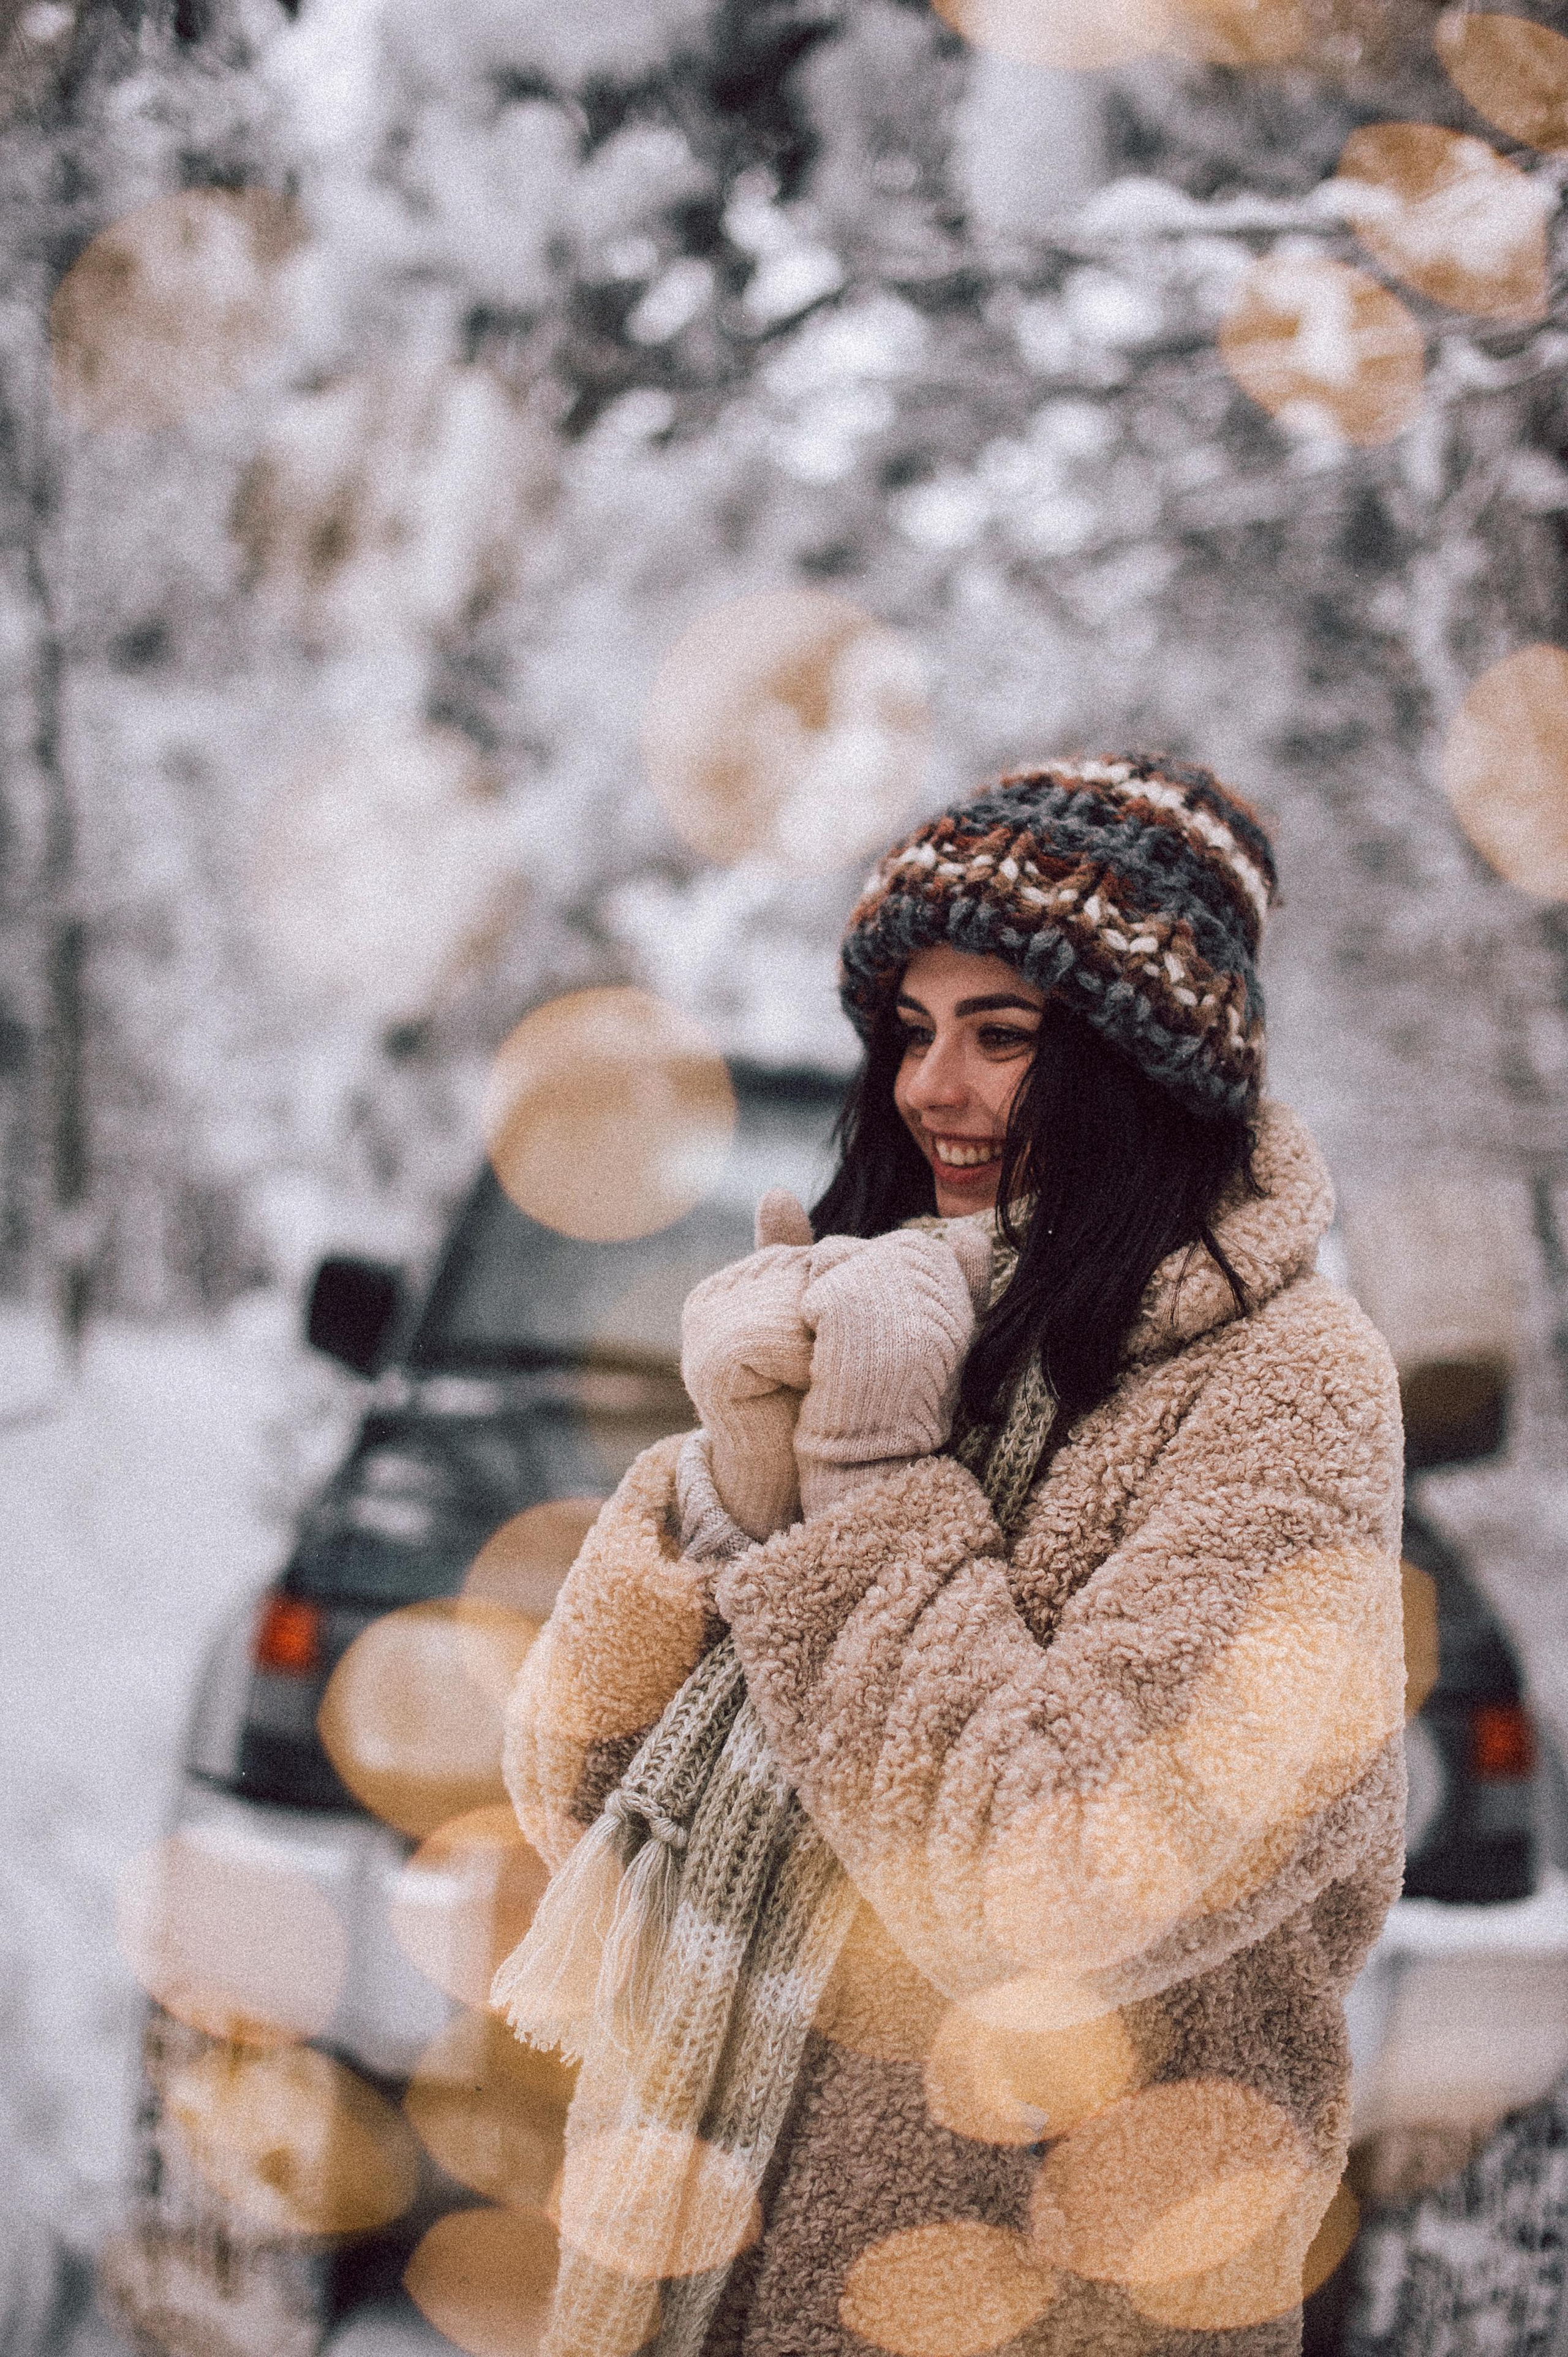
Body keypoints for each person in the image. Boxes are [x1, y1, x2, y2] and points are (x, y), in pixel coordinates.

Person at [494, 754, 1406, 2357]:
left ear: (1142, 1065)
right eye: (910, 1033)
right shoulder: (886, 1312)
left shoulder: (1294, 1396)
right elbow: (578, 1798)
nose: (931, 1089)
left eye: (1003, 1036)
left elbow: (1050, 1889)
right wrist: (729, 1485)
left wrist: (863, 1484)